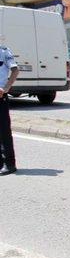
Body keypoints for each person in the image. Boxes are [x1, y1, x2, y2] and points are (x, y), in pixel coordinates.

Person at [0, 45, 19, 175]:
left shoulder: (3, 51)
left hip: (0, 96)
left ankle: (9, 164)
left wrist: (6, 88)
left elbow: (15, 70)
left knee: (4, 131)